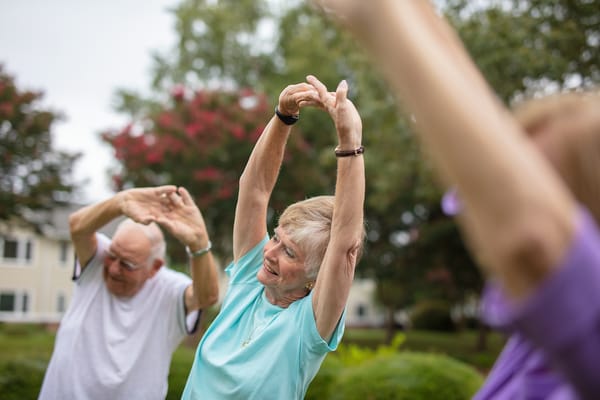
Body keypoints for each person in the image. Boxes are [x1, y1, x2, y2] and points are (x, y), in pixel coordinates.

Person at [311, 1, 600, 399]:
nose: (499, 193)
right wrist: (413, 13)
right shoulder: (541, 352)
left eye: (529, 183)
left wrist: (381, 17)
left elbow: (531, 238)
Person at [180, 75, 365, 399]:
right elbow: (254, 191)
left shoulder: (307, 327)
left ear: (315, 278)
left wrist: (349, 143)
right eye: (276, 237)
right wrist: (282, 117)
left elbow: (344, 245)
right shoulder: (251, 282)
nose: (270, 252)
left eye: (290, 253)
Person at [38, 186, 220, 400]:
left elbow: (206, 296)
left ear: (154, 268)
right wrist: (120, 202)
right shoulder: (97, 262)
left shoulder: (170, 291)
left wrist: (199, 243)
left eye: (127, 264)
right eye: (112, 255)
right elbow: (77, 227)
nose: (114, 268)